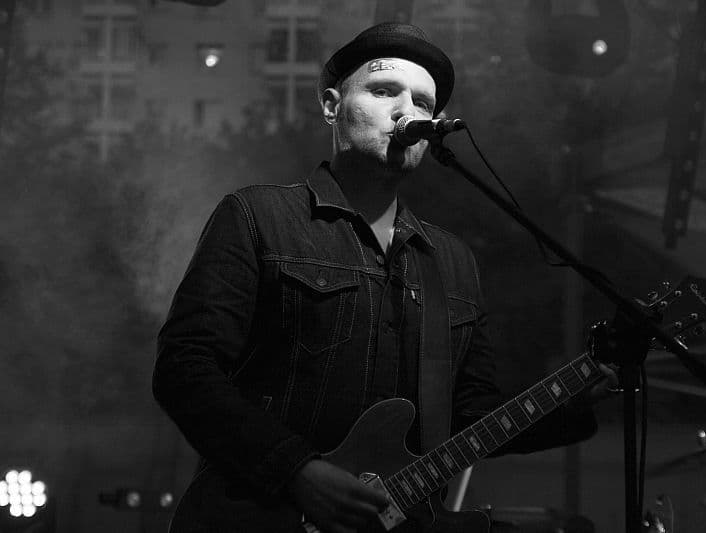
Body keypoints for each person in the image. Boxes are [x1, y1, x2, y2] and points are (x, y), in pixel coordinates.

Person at [153, 22, 613, 533]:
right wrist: (295, 471)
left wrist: (574, 400)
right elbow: (185, 370)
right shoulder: (257, 216)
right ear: (332, 106)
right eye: (383, 91)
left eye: (422, 102)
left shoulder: (452, 262)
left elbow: (470, 418)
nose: (406, 110)